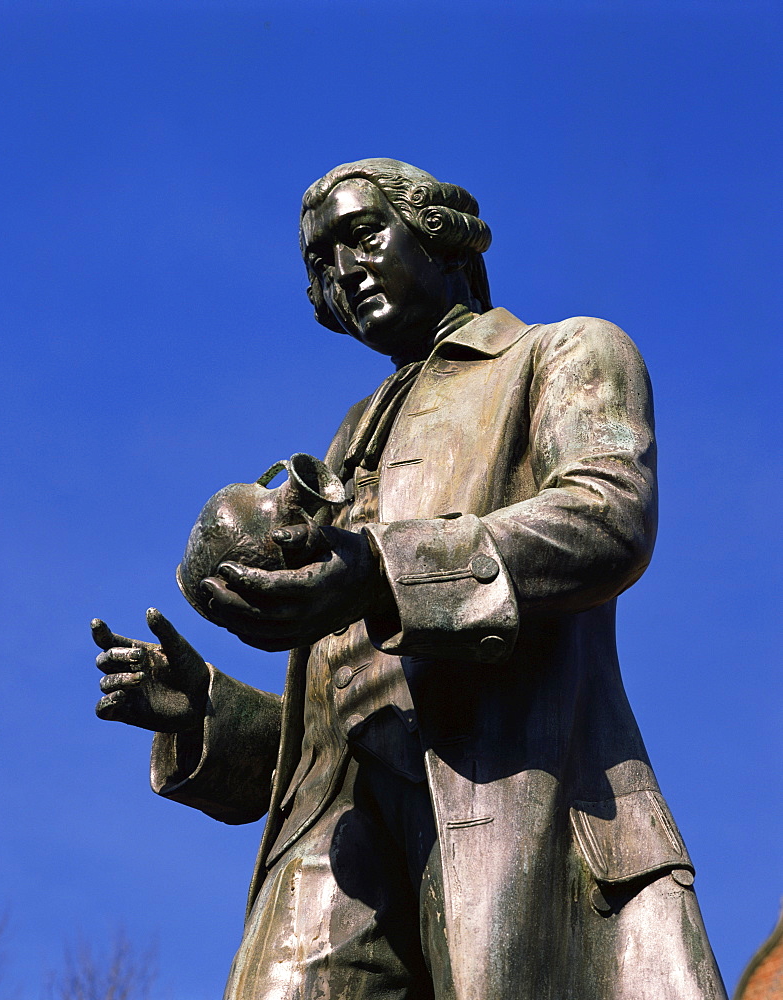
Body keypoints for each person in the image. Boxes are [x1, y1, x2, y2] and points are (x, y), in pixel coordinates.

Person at [92, 159, 727, 999]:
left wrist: (380, 568)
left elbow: (605, 517)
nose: (343, 272)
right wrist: (209, 710)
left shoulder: (561, 352)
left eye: (362, 236)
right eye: (321, 264)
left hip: (513, 801)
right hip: (335, 833)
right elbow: (343, 709)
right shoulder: (346, 440)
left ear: (446, 240)